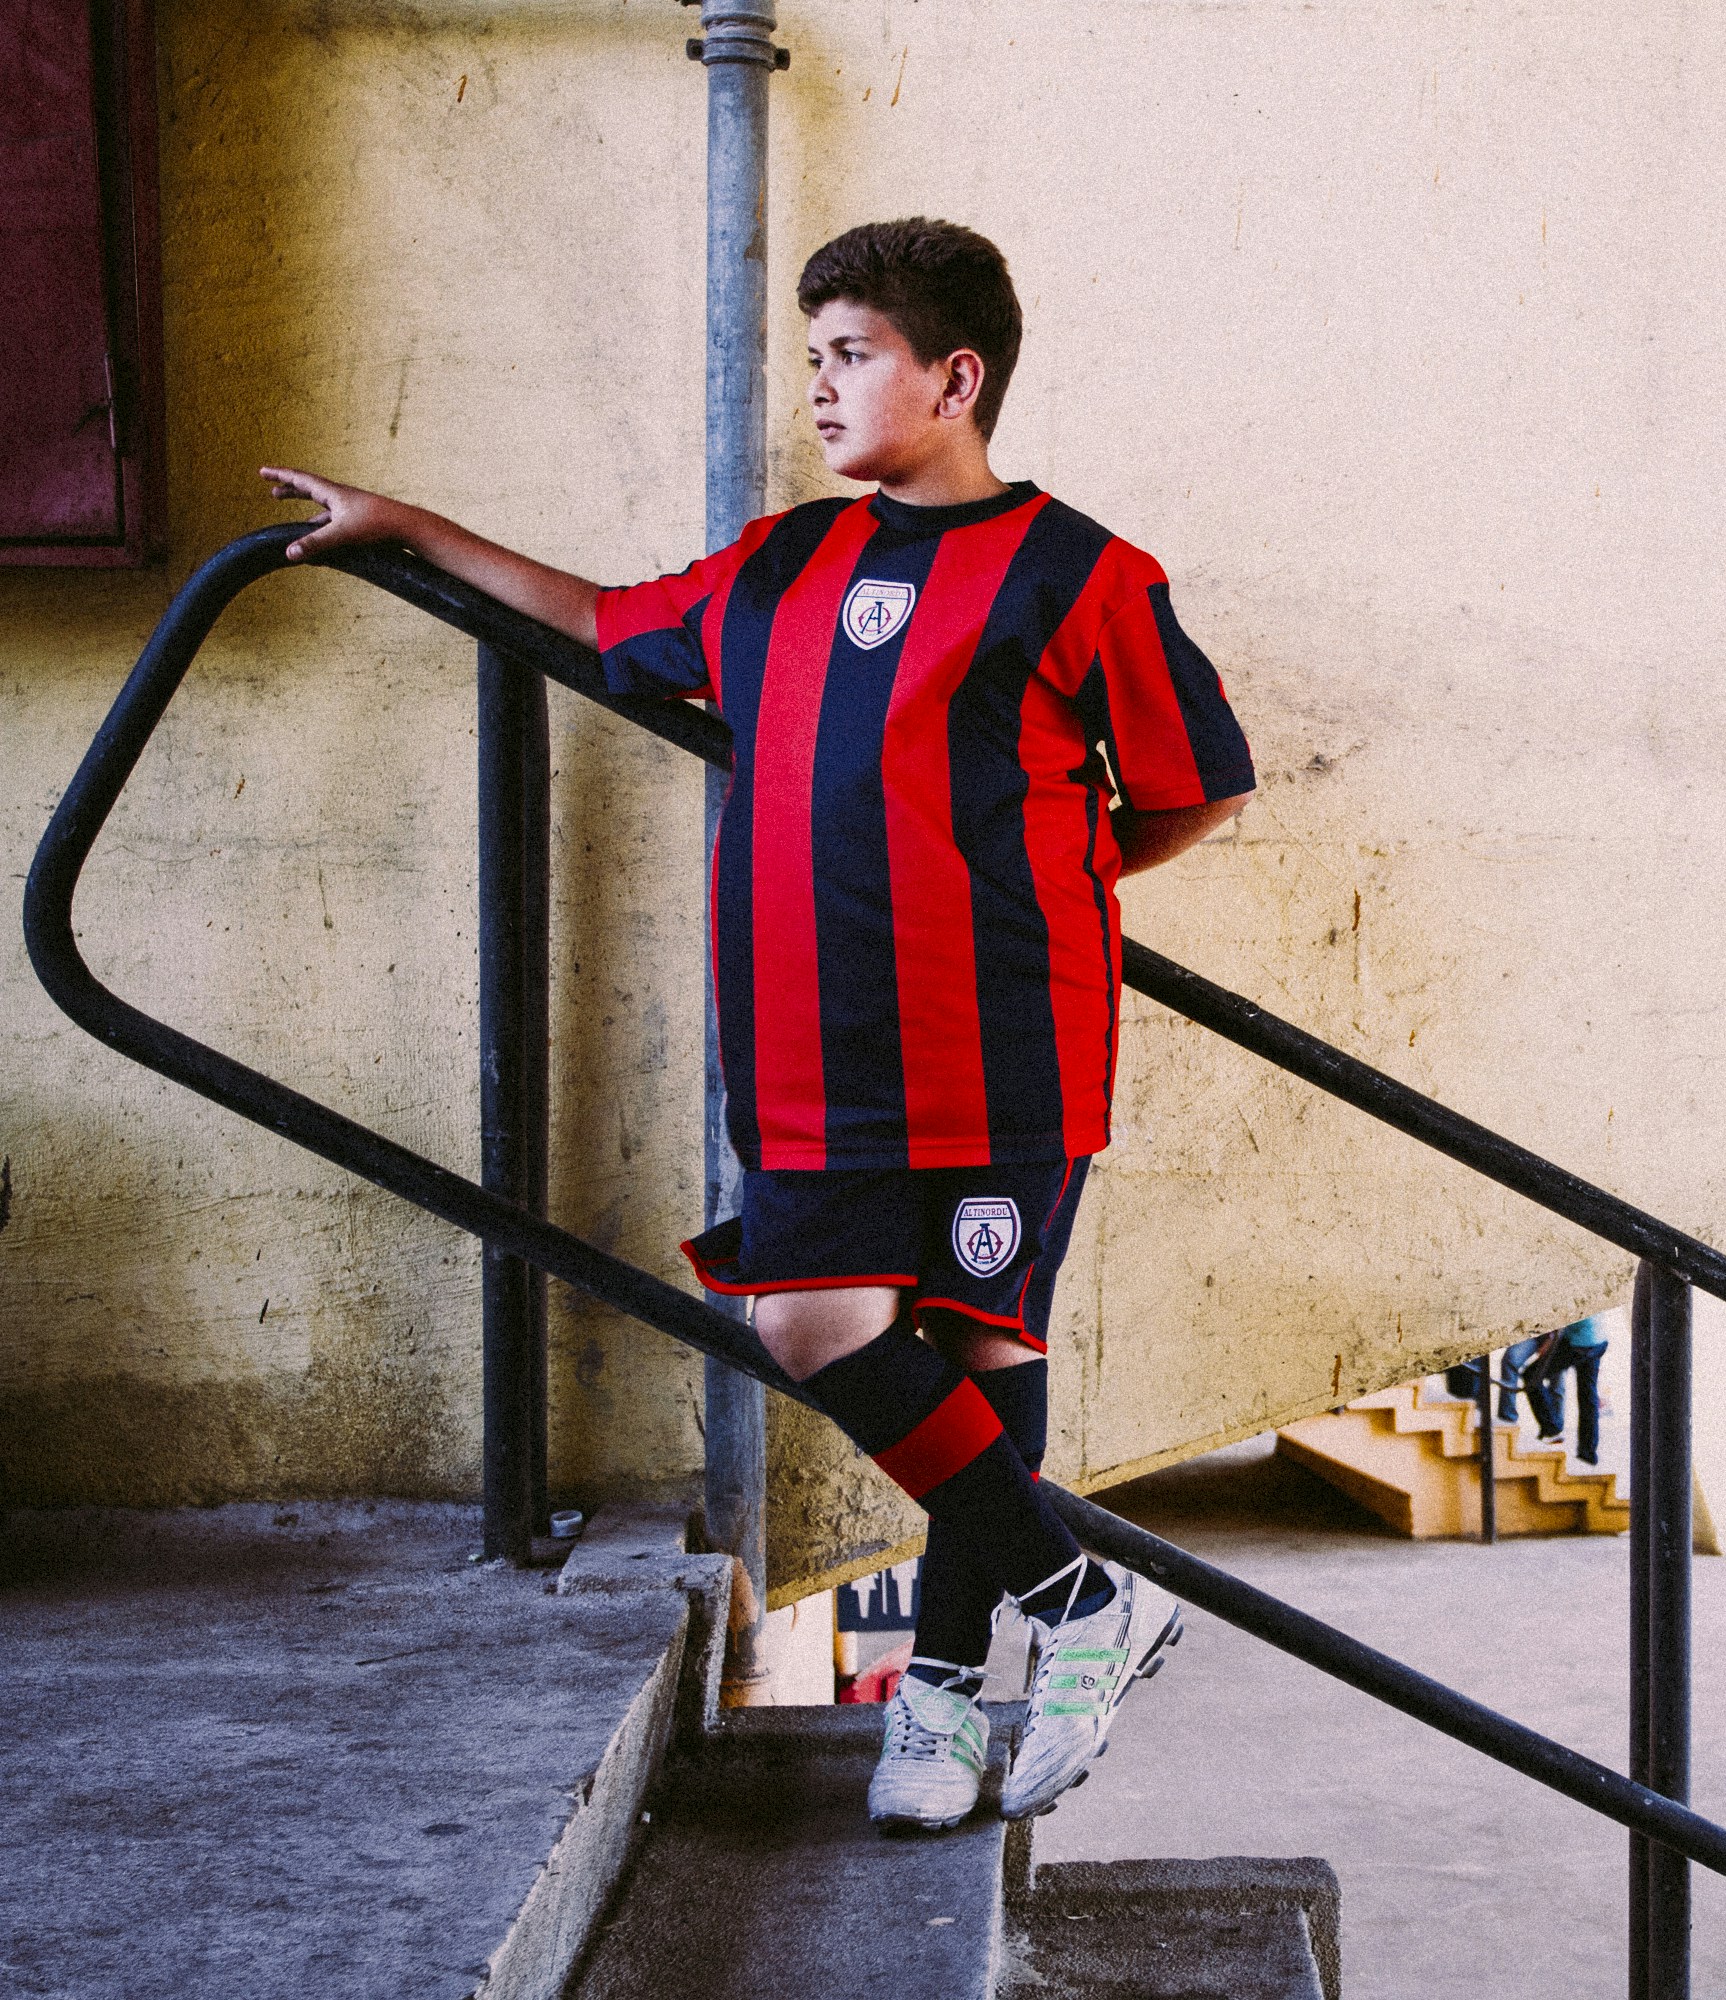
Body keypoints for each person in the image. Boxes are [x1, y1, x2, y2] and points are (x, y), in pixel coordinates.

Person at [260, 218, 1256, 1833]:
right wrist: (416, 529)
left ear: (956, 375)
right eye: (811, 358)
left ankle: (938, 1711)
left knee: (981, 1359)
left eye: (851, 354)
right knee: (812, 1326)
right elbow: (600, 622)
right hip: (811, 1047)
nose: (821, 386)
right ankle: (1083, 1604)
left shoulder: (1086, 574)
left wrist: (1037, 882)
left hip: (1009, 1042)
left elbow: (1192, 788)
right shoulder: (787, 563)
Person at [1519, 1316, 1609, 1464]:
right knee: (1588, 1395)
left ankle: (1551, 1428)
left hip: (1579, 1342)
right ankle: (1588, 1453)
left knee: (1531, 1376)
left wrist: (1549, 1342)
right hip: (1598, 1340)